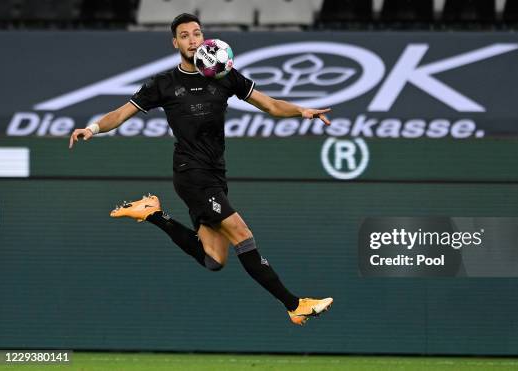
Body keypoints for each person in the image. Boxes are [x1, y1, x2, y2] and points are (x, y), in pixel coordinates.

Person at [69, 13, 333, 326]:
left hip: (215, 174)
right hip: (191, 174)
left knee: (214, 259)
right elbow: (122, 114)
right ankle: (295, 304)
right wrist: (94, 128)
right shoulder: (163, 84)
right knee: (242, 235)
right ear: (175, 43)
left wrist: (301, 111)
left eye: (197, 33)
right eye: (185, 35)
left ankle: (152, 213)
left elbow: (270, 105)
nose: (192, 40)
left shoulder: (223, 74)